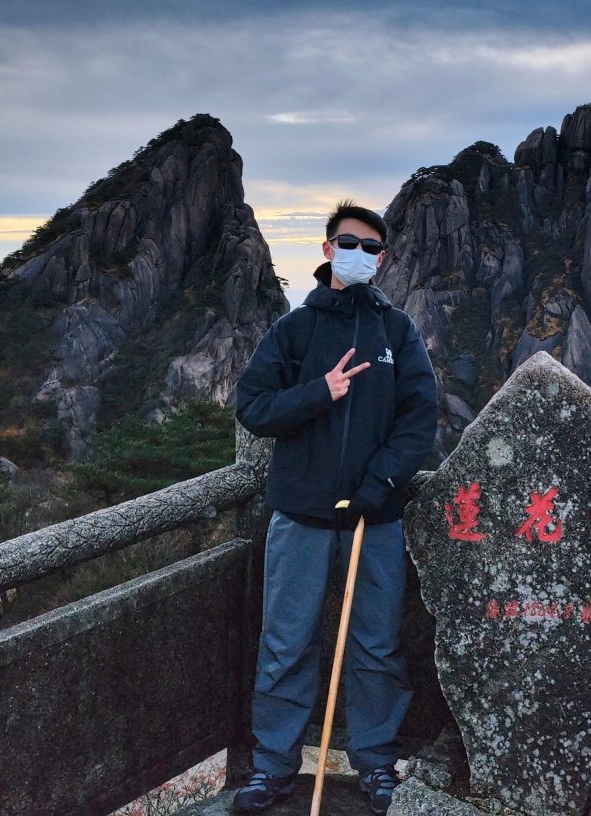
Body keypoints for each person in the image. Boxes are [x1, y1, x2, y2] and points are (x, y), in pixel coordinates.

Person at [232, 201, 438, 814]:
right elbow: (254, 406)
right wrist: (319, 392)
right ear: (327, 250)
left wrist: (383, 482)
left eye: (372, 248)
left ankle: (376, 764)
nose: (361, 255)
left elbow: (418, 416)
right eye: (350, 243)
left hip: (375, 518)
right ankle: (273, 769)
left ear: (383, 258)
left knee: (376, 644)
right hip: (300, 516)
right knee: (285, 643)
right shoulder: (293, 331)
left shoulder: (398, 331)